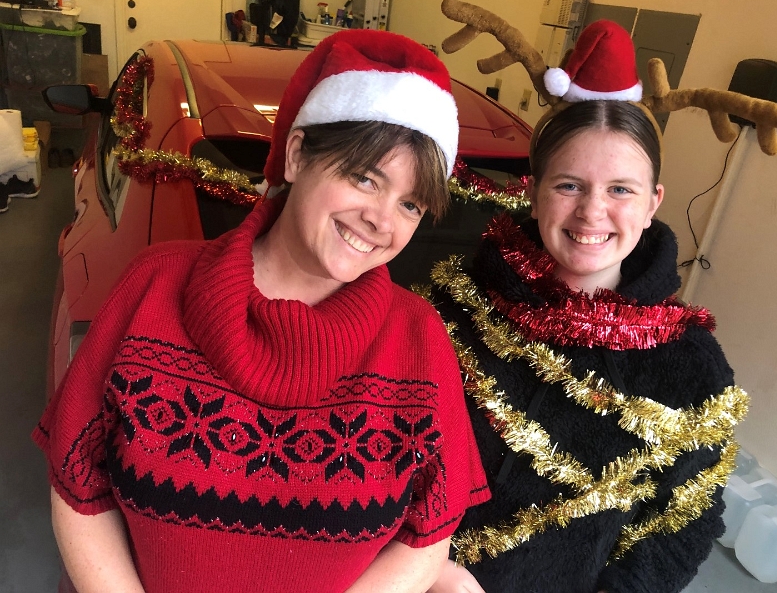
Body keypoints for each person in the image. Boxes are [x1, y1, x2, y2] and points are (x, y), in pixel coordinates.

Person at [34, 29, 490, 593]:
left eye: (411, 204)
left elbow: (428, 531)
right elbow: (78, 481)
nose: (382, 220)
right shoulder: (156, 287)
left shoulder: (418, 339)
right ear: (296, 155)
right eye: (364, 177)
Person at [427, 19, 747, 593]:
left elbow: (684, 526)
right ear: (534, 192)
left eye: (621, 189)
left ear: (653, 203)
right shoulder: (455, 306)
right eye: (569, 185)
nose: (592, 212)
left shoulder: (689, 367)